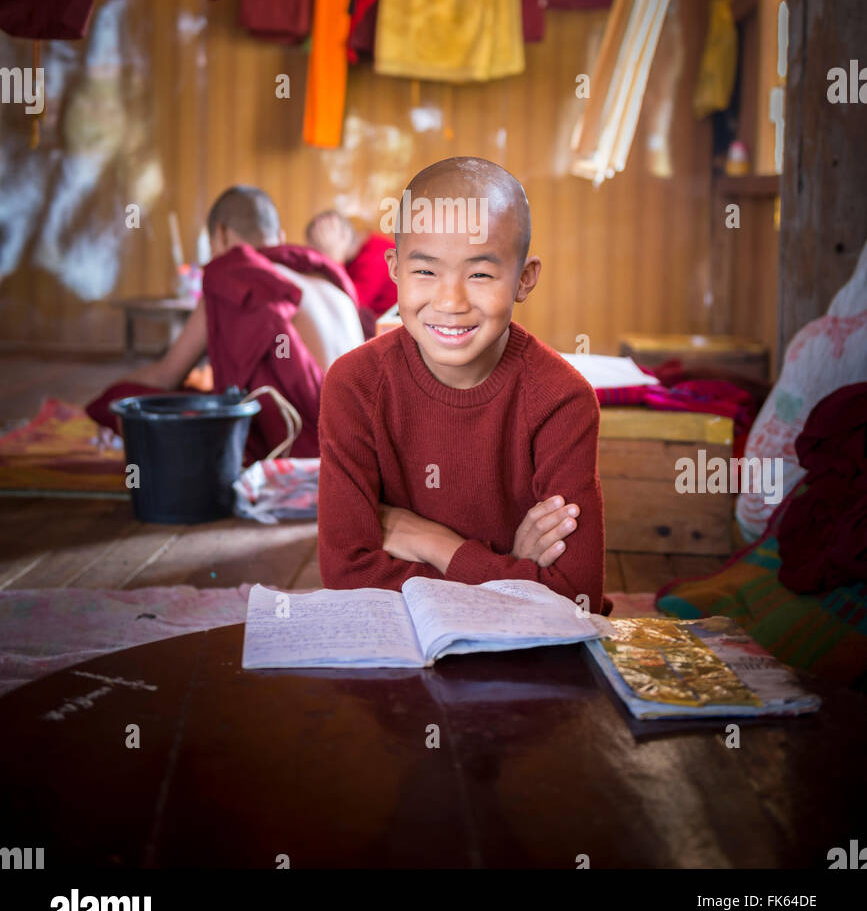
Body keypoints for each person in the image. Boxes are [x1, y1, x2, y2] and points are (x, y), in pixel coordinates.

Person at [316, 157, 611, 614]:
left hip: (524, 658)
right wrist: (513, 569)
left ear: (524, 279)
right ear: (394, 268)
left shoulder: (561, 399)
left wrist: (436, 544)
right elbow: (346, 577)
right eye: (426, 271)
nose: (450, 302)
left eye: (480, 274)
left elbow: (577, 597)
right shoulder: (355, 384)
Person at [86, 186, 364, 458]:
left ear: (218, 235)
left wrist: (106, 399)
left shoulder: (237, 276)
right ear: (280, 237)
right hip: (361, 435)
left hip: (314, 441)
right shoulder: (329, 281)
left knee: (135, 399)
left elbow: (166, 375)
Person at [305, 210, 397, 335]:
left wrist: (334, 259)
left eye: (324, 247)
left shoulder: (376, 255)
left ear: (344, 236)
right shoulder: (352, 258)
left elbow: (347, 306)